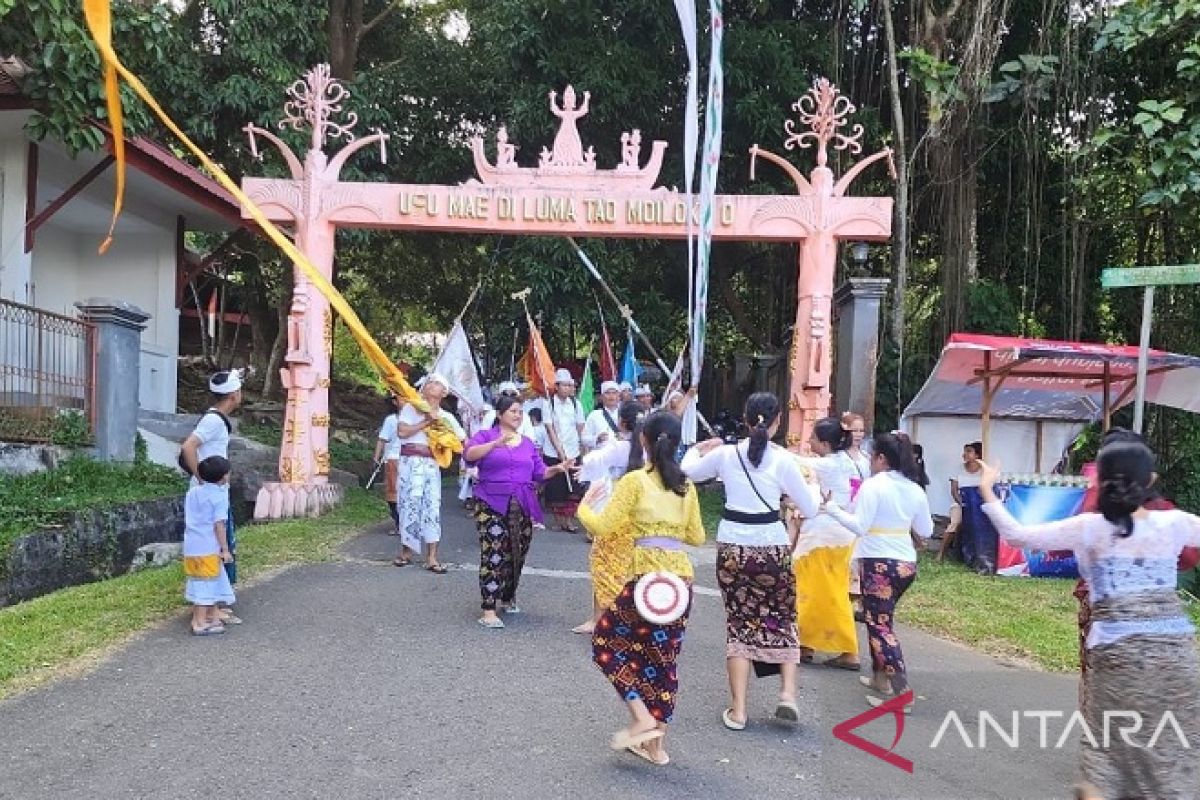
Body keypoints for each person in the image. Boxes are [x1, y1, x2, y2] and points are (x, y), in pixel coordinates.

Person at [979, 441, 1200, 800]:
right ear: (1152, 480)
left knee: (1108, 752)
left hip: (1118, 656)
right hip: (1177, 657)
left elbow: (1018, 536)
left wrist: (988, 487)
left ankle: (1098, 789)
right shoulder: (1175, 523)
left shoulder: (1089, 527)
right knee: (1172, 754)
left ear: (1100, 482)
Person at [682, 392, 821, 731]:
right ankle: (787, 694)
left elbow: (688, 472)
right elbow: (812, 509)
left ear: (745, 419)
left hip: (733, 547)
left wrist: (698, 448)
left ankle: (739, 710)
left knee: (740, 623)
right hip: (772, 545)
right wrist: (812, 486)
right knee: (782, 617)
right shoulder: (785, 461)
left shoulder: (726, 455)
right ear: (776, 423)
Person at [579, 411, 705, 766]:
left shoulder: (635, 481)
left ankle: (641, 716)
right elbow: (697, 536)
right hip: (680, 581)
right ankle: (656, 748)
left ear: (644, 441)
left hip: (646, 580)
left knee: (605, 641)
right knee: (663, 660)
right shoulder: (686, 484)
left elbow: (604, 526)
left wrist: (585, 509)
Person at [824, 431, 933, 712]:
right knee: (881, 619)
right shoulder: (915, 488)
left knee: (879, 625)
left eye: (872, 456)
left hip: (878, 562)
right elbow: (927, 530)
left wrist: (831, 508)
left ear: (882, 459)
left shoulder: (874, 486)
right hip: (905, 563)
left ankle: (900, 692)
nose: (870, 461)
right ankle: (879, 678)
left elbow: (859, 525)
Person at [464, 396, 572, 628]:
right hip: (490, 500)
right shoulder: (485, 436)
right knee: (494, 549)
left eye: (520, 412)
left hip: (522, 502)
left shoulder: (527, 443)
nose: (518, 415)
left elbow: (540, 472)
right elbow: (469, 456)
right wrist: (494, 445)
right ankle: (489, 608)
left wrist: (558, 468)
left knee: (518, 550)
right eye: (513, 411)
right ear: (500, 414)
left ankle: (507, 595)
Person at [790, 417, 860, 670]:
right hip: (844, 535)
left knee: (809, 589)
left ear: (825, 443)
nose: (809, 442)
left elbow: (797, 463)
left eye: (813, 439)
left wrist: (765, 444)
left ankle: (845, 649)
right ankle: (806, 644)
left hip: (822, 535)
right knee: (830, 590)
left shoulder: (828, 465)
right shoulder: (853, 463)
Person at [572, 400, 645, 634]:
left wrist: (604, 446)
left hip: (613, 511)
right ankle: (630, 619)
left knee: (603, 563)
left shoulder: (616, 447)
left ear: (621, 422)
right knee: (632, 567)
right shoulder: (651, 450)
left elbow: (591, 462)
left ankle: (598, 618)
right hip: (640, 515)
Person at [179, 369, 243, 624]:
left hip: (215, 490)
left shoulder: (216, 419)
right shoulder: (213, 421)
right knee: (217, 546)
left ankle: (212, 605)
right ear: (234, 395)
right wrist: (203, 477)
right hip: (211, 493)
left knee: (218, 545)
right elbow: (188, 446)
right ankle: (209, 609)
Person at [392, 374, 466, 573]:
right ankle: (406, 551)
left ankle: (432, 556)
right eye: (429, 382)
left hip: (431, 464)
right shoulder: (411, 408)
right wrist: (426, 421)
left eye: (436, 383)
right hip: (410, 462)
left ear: (444, 392)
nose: (430, 385)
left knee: (432, 506)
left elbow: (461, 441)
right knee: (409, 503)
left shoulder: (447, 418)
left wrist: (442, 435)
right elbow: (402, 433)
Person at [183, 456, 235, 636]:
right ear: (223, 477)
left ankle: (210, 615)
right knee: (206, 585)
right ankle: (199, 622)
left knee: (200, 580)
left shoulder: (193, 492)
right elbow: (218, 524)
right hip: (208, 546)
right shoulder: (219, 496)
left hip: (191, 545)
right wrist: (225, 549)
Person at [540, 368, 586, 532]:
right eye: (565, 385)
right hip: (554, 452)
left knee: (573, 487)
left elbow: (581, 427)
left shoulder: (576, 404)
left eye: (570, 385)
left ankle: (568, 520)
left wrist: (583, 447)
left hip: (573, 451)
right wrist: (559, 449)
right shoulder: (548, 403)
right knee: (556, 487)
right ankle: (559, 521)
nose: (568, 388)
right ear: (557, 386)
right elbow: (549, 429)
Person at [950, 441, 998, 573]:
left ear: (977, 454)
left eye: (969, 451)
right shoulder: (958, 468)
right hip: (962, 503)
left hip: (980, 506)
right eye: (965, 451)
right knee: (957, 521)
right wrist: (962, 503)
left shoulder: (985, 470)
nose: (964, 454)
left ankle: (983, 556)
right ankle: (964, 556)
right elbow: (954, 491)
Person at [373, 395, 402, 528]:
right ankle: (398, 522)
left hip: (411, 460)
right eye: (402, 399)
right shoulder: (391, 420)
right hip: (393, 459)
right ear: (395, 402)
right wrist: (376, 457)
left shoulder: (416, 419)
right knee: (392, 493)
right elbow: (382, 439)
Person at [582, 380, 623, 451]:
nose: (611, 396)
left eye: (614, 393)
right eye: (607, 393)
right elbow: (584, 439)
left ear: (619, 396)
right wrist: (597, 439)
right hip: (601, 458)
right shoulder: (594, 415)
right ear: (602, 397)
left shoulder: (625, 413)